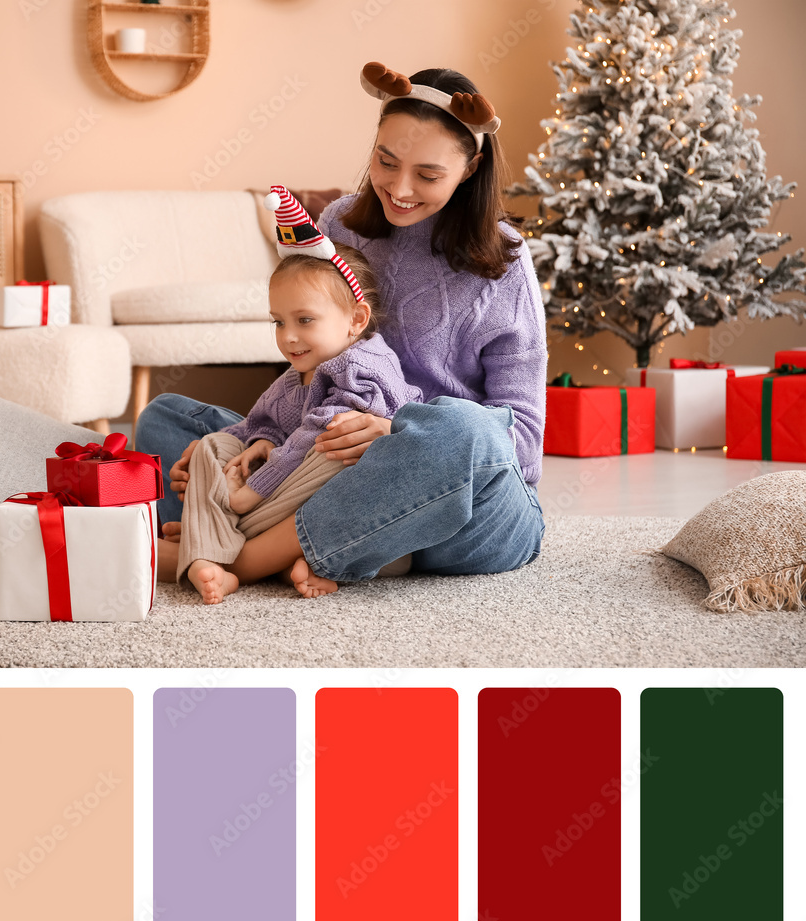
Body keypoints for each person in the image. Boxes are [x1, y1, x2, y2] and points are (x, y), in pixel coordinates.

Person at [138, 62, 546, 592]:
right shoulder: (339, 222)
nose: (399, 189)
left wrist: (397, 437)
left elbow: (523, 444)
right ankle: (322, 545)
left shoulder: (504, 263)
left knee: (463, 430)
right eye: (386, 160)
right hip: (327, 463)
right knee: (168, 419)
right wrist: (255, 440)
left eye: (427, 175)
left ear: (468, 170)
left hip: (460, 505)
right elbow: (312, 374)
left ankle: (237, 558)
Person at [166, 185, 422, 604]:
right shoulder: (296, 376)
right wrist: (257, 444)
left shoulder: (363, 364)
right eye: (278, 322)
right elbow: (260, 421)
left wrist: (251, 490)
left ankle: (209, 544)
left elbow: (315, 436)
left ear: (356, 319)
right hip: (294, 515)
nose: (289, 337)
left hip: (363, 517)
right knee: (212, 445)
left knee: (334, 442)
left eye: (304, 320)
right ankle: (251, 553)